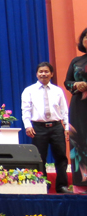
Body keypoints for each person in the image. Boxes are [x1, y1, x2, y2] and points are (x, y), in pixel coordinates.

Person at [22, 62, 70, 194]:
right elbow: (25, 110)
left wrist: (67, 127)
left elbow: (64, 110)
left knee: (61, 157)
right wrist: (28, 126)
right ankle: (41, 185)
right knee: (39, 158)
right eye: (41, 72)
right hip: (38, 128)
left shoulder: (58, 90)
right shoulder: (29, 90)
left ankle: (62, 186)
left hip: (56, 127)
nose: (43, 74)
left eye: (46, 71)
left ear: (51, 74)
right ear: (37, 74)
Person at [65, 27, 87, 188]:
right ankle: (81, 183)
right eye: (85, 37)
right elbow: (67, 82)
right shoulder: (76, 61)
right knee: (79, 141)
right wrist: (75, 85)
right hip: (78, 106)